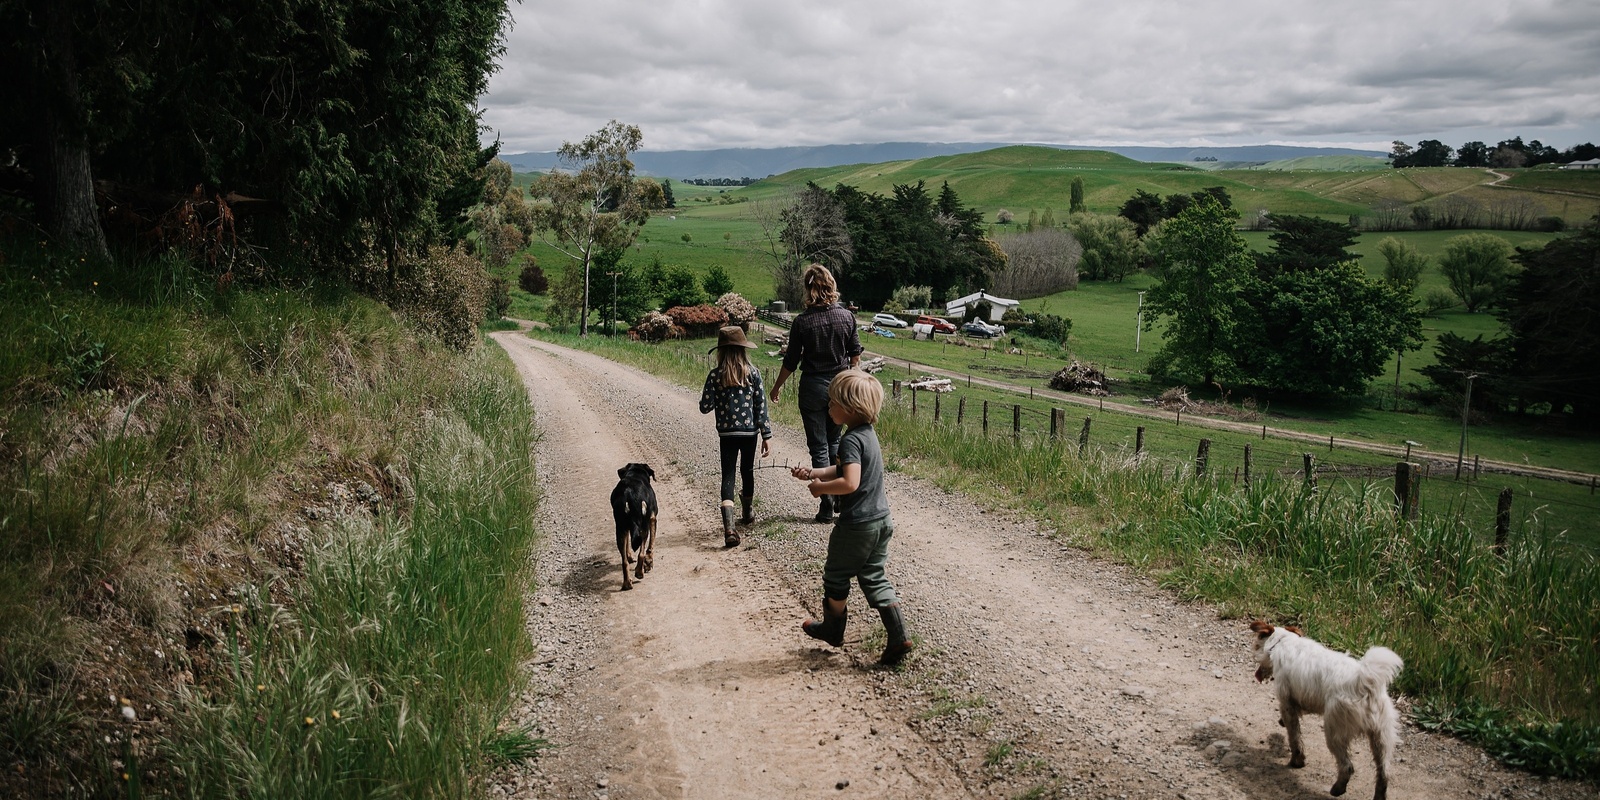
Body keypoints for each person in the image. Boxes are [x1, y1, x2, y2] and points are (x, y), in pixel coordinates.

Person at [788, 369, 912, 666]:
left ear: (851, 408)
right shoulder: (866, 435)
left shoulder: (849, 442)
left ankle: (833, 629)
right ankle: (899, 637)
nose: (828, 407)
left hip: (856, 525)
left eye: (832, 403)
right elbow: (844, 470)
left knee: (836, 575)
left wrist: (820, 490)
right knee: (873, 575)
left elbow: (849, 483)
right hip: (881, 521)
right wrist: (814, 472)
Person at [769, 264, 862, 523]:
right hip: (840, 387)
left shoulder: (802, 322)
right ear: (830, 286)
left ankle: (826, 503)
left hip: (812, 387)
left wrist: (777, 387)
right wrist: (853, 382)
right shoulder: (847, 317)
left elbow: (791, 360)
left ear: (809, 289)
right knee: (835, 443)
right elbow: (855, 355)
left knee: (819, 445)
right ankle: (839, 495)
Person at [700, 325, 773, 547]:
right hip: (749, 433)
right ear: (743, 350)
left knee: (728, 475)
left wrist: (717, 398)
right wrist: (766, 434)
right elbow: (761, 406)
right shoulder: (754, 374)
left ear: (721, 352)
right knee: (747, 471)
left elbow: (704, 407)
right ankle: (748, 512)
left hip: (727, 434)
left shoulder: (715, 376)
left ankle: (729, 528)